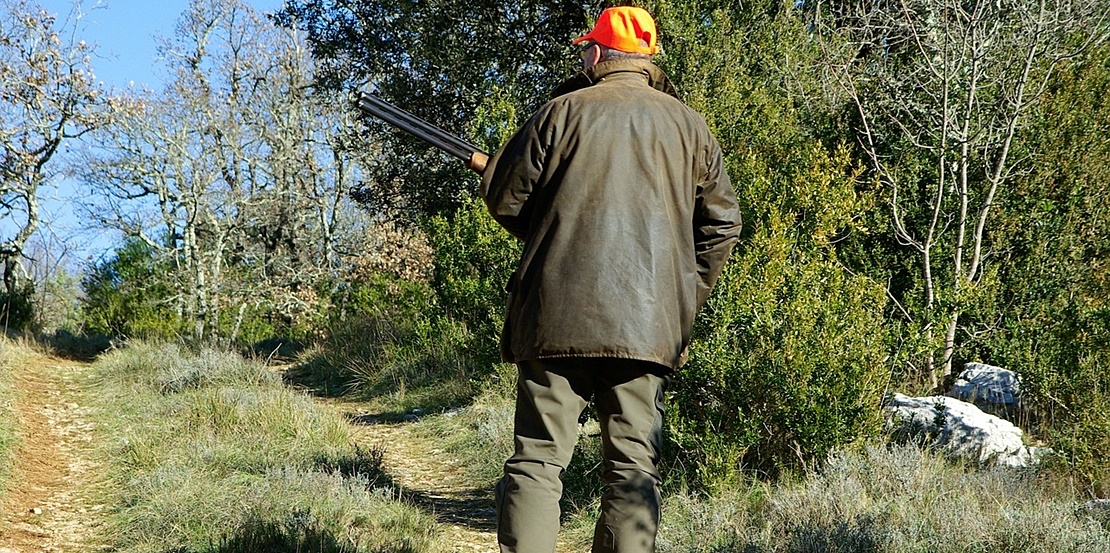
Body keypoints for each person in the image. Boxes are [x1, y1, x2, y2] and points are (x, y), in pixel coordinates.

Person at [474, 6, 741, 553]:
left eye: (585, 48)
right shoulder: (689, 124)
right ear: (646, 59)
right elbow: (723, 223)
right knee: (632, 468)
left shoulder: (560, 112)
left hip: (555, 319)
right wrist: (683, 297)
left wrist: (549, 224)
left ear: (598, 53)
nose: (582, 56)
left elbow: (506, 199)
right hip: (649, 327)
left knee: (538, 461)